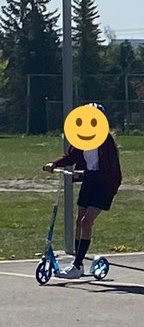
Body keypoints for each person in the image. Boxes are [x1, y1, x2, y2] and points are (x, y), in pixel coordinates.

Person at [42, 105, 122, 279]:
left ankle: (77, 266)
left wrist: (83, 174)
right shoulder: (83, 139)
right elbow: (70, 156)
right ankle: (78, 264)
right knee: (79, 221)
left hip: (105, 185)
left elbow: (107, 172)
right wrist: (54, 164)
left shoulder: (106, 143)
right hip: (90, 183)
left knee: (87, 222)